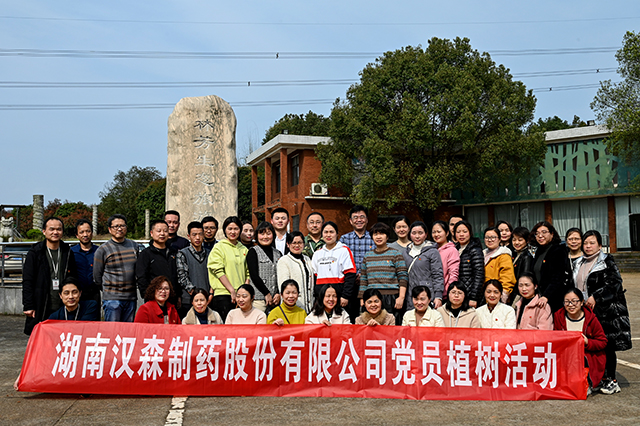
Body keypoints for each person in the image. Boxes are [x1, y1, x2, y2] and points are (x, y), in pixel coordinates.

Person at [573, 230, 632, 394]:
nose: (588, 246)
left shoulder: (607, 262)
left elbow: (615, 284)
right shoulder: (578, 262)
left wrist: (596, 297)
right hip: (587, 311)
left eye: (592, 243)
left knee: (607, 345)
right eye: (586, 243)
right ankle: (597, 378)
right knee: (592, 345)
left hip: (607, 312)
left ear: (600, 245)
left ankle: (611, 380)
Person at [22, 216, 77, 335]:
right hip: (41, 302)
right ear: (44, 231)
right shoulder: (35, 252)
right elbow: (28, 280)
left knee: (63, 338)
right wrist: (28, 305)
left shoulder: (67, 252)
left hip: (63, 304)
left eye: (59, 229)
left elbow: (73, 277)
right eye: (51, 229)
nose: (55, 232)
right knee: (40, 338)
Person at [554, 287, 608, 392]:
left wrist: (587, 342)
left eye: (574, 301)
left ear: (582, 302)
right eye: (567, 302)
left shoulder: (591, 319)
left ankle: (586, 383)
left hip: (586, 356)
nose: (570, 305)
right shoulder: (558, 317)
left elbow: (602, 341)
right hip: (566, 356)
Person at [359, 222, 408, 324]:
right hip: (372, 298)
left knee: (391, 328)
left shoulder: (395, 254)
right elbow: (363, 279)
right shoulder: (367, 256)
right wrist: (362, 299)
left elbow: (403, 277)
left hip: (391, 298)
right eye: (375, 234)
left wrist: (401, 297)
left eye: (381, 233)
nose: (378, 237)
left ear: (387, 236)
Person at [311, 221, 358, 322]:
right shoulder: (317, 254)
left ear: (337, 234)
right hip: (322, 298)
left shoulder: (344, 250)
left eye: (331, 232)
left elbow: (350, 275)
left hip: (339, 298)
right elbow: (315, 277)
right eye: (325, 232)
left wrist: (345, 296)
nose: (328, 235)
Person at [208, 216, 250, 322]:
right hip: (223, 294)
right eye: (229, 229)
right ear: (225, 230)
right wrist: (231, 290)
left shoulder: (244, 249)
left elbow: (247, 273)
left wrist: (243, 292)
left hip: (240, 296)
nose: (233, 232)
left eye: (236, 229)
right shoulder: (219, 247)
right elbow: (218, 270)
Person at [530, 221, 573, 312]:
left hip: (554, 298)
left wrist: (546, 296)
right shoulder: (539, 251)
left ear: (552, 234)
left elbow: (558, 277)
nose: (540, 236)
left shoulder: (558, 250)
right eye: (537, 233)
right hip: (540, 297)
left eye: (544, 232)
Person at [136, 220, 179, 306]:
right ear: (151, 233)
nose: (162, 234)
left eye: (165, 231)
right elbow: (141, 277)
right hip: (154, 299)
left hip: (172, 299)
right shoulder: (146, 254)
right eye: (159, 231)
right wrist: (148, 296)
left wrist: (178, 295)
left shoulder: (173, 252)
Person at [402, 221, 444, 309]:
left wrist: (438, 296)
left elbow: (437, 275)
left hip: (427, 295)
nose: (417, 236)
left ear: (426, 234)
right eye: (414, 233)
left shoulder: (432, 251)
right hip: (410, 296)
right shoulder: (405, 252)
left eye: (420, 233)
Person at [176, 221, 211, 319]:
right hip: (188, 300)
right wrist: (196, 294)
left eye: (200, 234)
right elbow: (182, 277)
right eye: (194, 235)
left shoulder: (209, 253)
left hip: (207, 299)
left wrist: (209, 294)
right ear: (189, 236)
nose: (197, 238)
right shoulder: (182, 254)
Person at [246, 221, 282, 312]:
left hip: (275, 299)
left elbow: (281, 275)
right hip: (259, 298)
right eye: (262, 234)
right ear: (257, 236)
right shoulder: (253, 251)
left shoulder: (278, 253)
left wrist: (278, 293)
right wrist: (266, 293)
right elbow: (254, 276)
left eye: (268, 233)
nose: (265, 237)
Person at [277, 231, 315, 312]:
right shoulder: (284, 261)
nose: (297, 245)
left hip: (310, 306)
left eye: (300, 242)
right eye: (294, 243)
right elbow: (283, 287)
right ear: (288, 244)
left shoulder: (307, 259)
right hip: (293, 307)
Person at [453, 220, 484, 307]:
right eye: (458, 232)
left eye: (464, 231)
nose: (461, 234)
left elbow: (479, 274)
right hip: (458, 293)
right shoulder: (454, 249)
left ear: (470, 233)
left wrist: (474, 297)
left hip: (469, 295)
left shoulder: (475, 249)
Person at [339, 205, 375, 280]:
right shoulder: (344, 239)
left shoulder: (374, 238)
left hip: (370, 279)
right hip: (349, 280)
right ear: (351, 221)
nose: (359, 220)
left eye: (362, 217)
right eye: (355, 217)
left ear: (367, 220)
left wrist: (363, 275)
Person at [483, 227, 516, 301]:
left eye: (493, 237)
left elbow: (508, 278)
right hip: (484, 295)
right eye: (487, 237)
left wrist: (502, 295)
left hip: (496, 296)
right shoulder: (482, 254)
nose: (490, 240)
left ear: (499, 239)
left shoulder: (504, 255)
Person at [70, 218, 100, 303]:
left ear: (92, 233)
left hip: (94, 292)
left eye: (88, 231)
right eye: (81, 232)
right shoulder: (71, 252)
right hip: (76, 293)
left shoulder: (99, 251)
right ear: (77, 235)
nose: (85, 235)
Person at [431, 220, 460, 299]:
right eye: (434, 232)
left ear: (447, 233)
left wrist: (450, 291)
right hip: (430, 293)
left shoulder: (452, 250)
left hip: (444, 294)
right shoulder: (431, 250)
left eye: (439, 232)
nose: (436, 235)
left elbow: (453, 273)